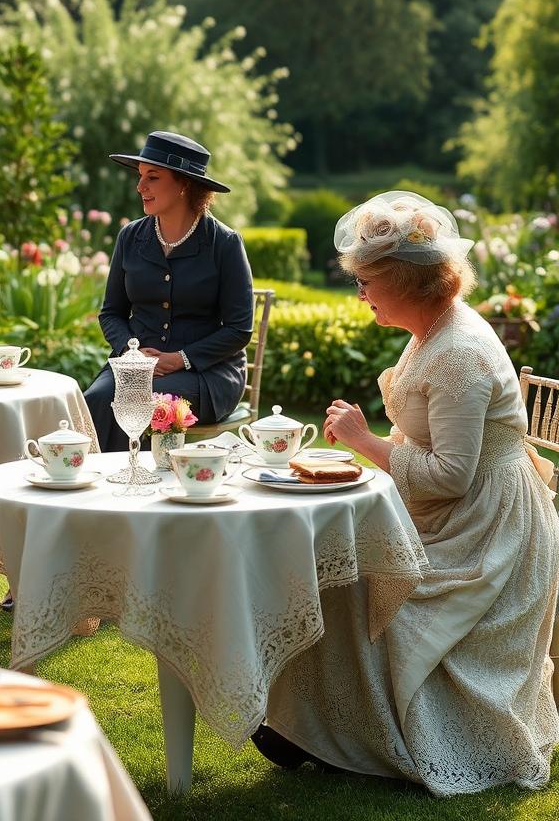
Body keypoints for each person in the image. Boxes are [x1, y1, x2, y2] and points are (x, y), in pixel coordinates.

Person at [258, 191, 559, 795]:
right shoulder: (430, 330)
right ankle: (313, 726)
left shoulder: (459, 355)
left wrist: (363, 443)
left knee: (355, 577)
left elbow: (452, 475)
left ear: (410, 282)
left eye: (369, 282)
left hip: (488, 529)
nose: (361, 294)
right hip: (452, 509)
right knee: (334, 564)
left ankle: (351, 734)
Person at [84, 131, 254, 452]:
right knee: (95, 400)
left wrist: (180, 359)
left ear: (184, 184)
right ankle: (104, 493)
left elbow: (239, 329)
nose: (140, 187)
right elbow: (112, 313)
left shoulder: (225, 243)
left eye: (153, 177)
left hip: (207, 374)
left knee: (149, 404)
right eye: (140, 176)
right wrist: (131, 354)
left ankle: (148, 490)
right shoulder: (130, 237)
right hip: (134, 366)